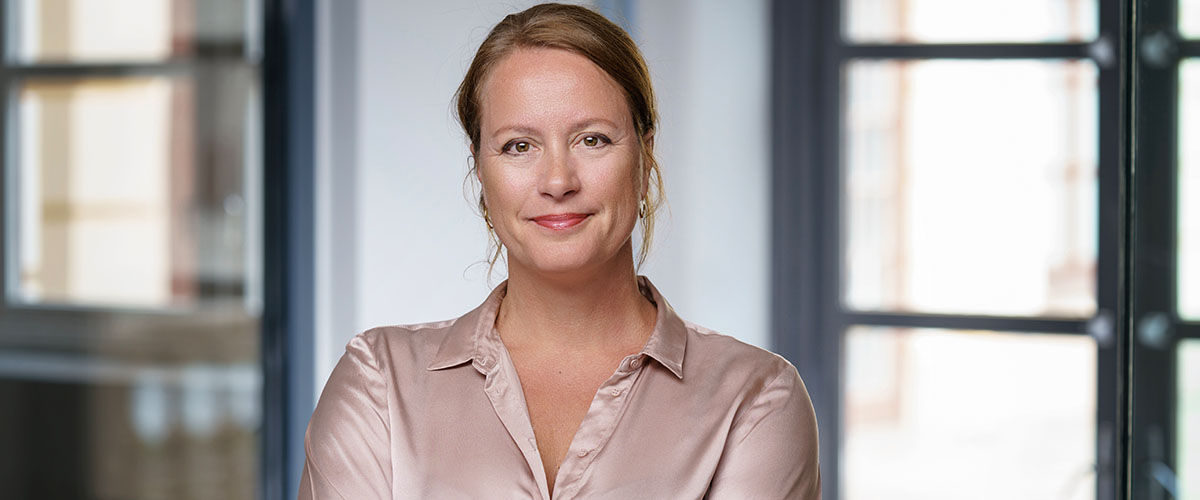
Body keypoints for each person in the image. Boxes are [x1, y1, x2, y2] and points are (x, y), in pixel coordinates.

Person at [298, 4, 820, 499]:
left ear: (645, 157)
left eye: (592, 140)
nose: (557, 181)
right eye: (518, 146)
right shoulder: (379, 382)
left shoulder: (756, 398)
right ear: (480, 171)